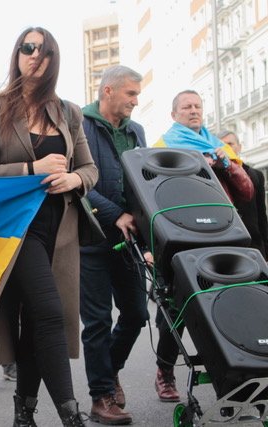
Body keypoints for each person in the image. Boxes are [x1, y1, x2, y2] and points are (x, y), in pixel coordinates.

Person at [0, 27, 97, 427]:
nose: (35, 54)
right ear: (17, 54)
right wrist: (30, 169)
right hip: (16, 229)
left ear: (54, 59)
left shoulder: (69, 112)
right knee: (50, 313)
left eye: (44, 49)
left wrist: (74, 179)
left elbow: (90, 169)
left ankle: (23, 414)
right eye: (28, 47)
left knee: (38, 321)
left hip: (60, 231)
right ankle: (71, 414)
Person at [152, 90, 254, 402]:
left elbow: (247, 192)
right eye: (186, 107)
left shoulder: (219, 146)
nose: (193, 110)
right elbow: (153, 194)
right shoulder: (162, 146)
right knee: (175, 308)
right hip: (180, 236)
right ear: (174, 114)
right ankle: (164, 372)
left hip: (222, 233)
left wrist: (228, 166)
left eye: (197, 106)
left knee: (229, 303)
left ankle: (235, 377)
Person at [78, 65, 149, 425]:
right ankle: (101, 397)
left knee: (136, 314)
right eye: (131, 93)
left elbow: (144, 184)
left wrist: (148, 238)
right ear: (108, 91)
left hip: (129, 238)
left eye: (137, 94)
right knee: (97, 322)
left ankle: (109, 371)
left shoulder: (137, 131)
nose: (136, 101)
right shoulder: (79, 125)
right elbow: (77, 182)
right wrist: (114, 214)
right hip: (90, 238)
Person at [219, 130, 268, 258]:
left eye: (230, 144)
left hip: (254, 243)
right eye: (222, 145)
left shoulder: (255, 174)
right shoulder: (214, 174)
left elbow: (261, 214)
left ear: (239, 147)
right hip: (226, 243)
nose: (226, 148)